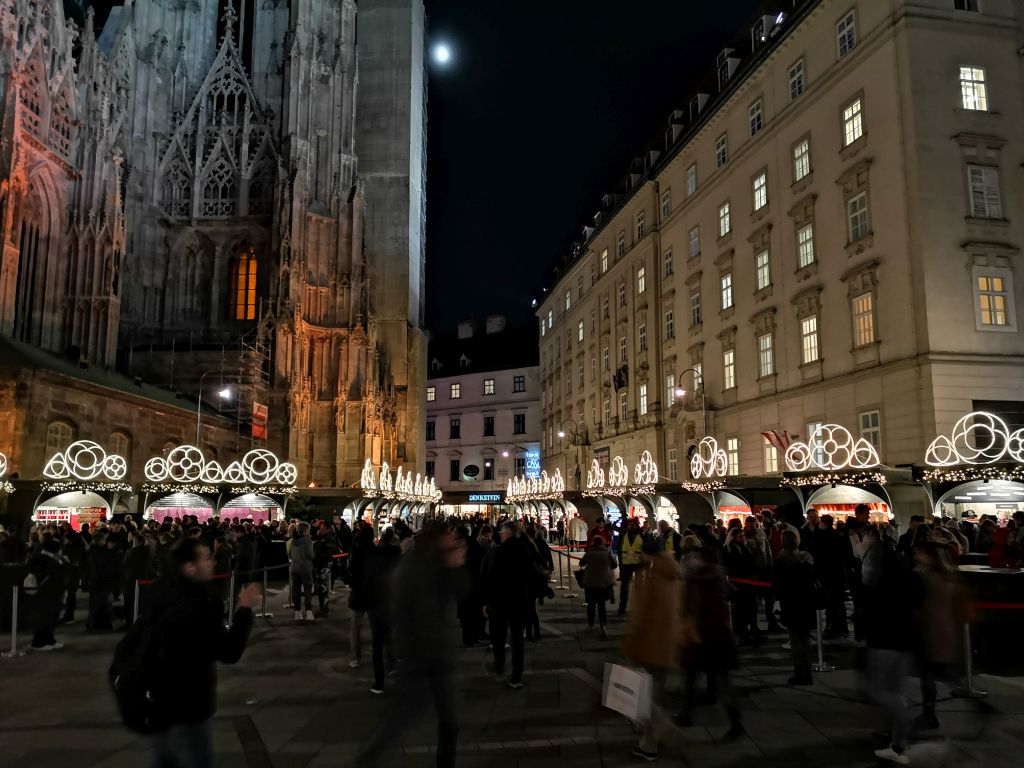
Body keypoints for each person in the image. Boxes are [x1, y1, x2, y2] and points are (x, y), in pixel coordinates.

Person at [348, 522, 469, 768]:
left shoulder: (434, 563)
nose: (451, 539)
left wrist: (455, 565)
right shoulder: (414, 567)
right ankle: (363, 762)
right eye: (447, 536)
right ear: (435, 539)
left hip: (435, 654)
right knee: (401, 720)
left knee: (447, 722)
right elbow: (422, 610)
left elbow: (462, 594)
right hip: (421, 655)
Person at [146, 538, 259, 768]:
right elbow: (228, 651)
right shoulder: (195, 606)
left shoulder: (161, 594)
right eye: (206, 558)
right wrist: (244, 609)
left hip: (159, 701)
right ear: (189, 567)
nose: (213, 562)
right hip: (189, 703)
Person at [859, 525, 923, 765]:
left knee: (878, 690)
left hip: (885, 639)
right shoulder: (909, 576)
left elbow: (871, 609)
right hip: (905, 639)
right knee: (895, 691)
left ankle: (899, 736)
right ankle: (898, 742)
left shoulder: (880, 580)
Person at [622, 539, 683, 762]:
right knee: (655, 693)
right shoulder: (675, 572)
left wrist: (630, 642)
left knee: (642, 698)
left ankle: (657, 735)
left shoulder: (647, 577)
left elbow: (640, 616)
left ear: (646, 555)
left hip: (648, 644)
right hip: (669, 643)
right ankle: (652, 739)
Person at [482, 521, 532, 689]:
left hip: (500, 600)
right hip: (519, 599)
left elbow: (490, 578)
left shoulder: (498, 552)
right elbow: (528, 575)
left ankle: (499, 665)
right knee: (517, 638)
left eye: (502, 532)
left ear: (508, 533)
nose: (500, 534)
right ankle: (516, 676)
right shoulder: (525, 551)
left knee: (498, 635)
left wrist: (487, 601)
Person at [773, 529, 816, 685]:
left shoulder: (781, 560)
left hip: (790, 602)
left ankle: (799, 672)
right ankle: (808, 671)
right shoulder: (806, 558)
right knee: (806, 638)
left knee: (795, 639)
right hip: (806, 601)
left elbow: (778, 585)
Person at [366, 528, 403, 694]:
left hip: (376, 605)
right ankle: (395, 666)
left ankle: (378, 682)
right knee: (394, 637)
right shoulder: (401, 560)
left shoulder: (374, 559)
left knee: (377, 645)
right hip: (395, 604)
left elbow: (367, 582)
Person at [27, 538, 67, 651]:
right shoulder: (46, 560)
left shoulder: (44, 558)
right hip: (47, 594)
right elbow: (57, 575)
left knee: (51, 618)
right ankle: (39, 643)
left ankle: (50, 640)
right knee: (44, 618)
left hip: (51, 594)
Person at [579, 535, 616, 637]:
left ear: (593, 543)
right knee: (602, 605)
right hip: (604, 582)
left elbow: (581, 563)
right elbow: (614, 565)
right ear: (602, 543)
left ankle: (590, 625)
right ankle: (603, 625)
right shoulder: (607, 553)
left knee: (591, 605)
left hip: (591, 582)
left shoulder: (589, 552)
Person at [616, 517, 645, 616]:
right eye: (630, 524)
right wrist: (620, 562)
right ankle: (622, 607)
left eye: (633, 524)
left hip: (638, 563)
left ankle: (639, 607)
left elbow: (645, 548)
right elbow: (619, 548)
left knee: (639, 586)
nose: (631, 526)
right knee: (624, 586)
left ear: (637, 525)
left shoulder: (642, 534)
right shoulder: (623, 534)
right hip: (625, 563)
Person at [289, 522, 316, 621]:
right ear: (305, 531)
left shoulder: (293, 540)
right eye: (308, 530)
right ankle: (308, 612)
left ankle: (297, 612)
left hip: (294, 568)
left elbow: (290, 554)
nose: (309, 531)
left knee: (296, 590)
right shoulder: (307, 540)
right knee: (308, 589)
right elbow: (310, 555)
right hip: (305, 568)